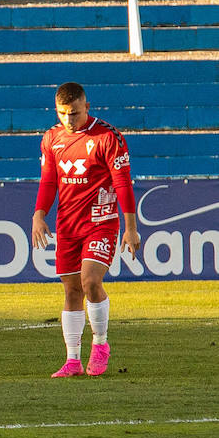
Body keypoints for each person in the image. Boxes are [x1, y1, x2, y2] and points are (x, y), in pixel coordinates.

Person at [32, 82, 140, 378]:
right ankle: (72, 360)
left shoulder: (108, 137)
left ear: (87, 107)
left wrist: (131, 228)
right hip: (67, 225)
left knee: (91, 281)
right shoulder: (51, 139)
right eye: (64, 113)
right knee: (72, 291)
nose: (69, 120)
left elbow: (122, 184)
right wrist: (38, 215)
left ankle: (101, 345)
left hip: (101, 222)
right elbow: (49, 182)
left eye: (75, 113)